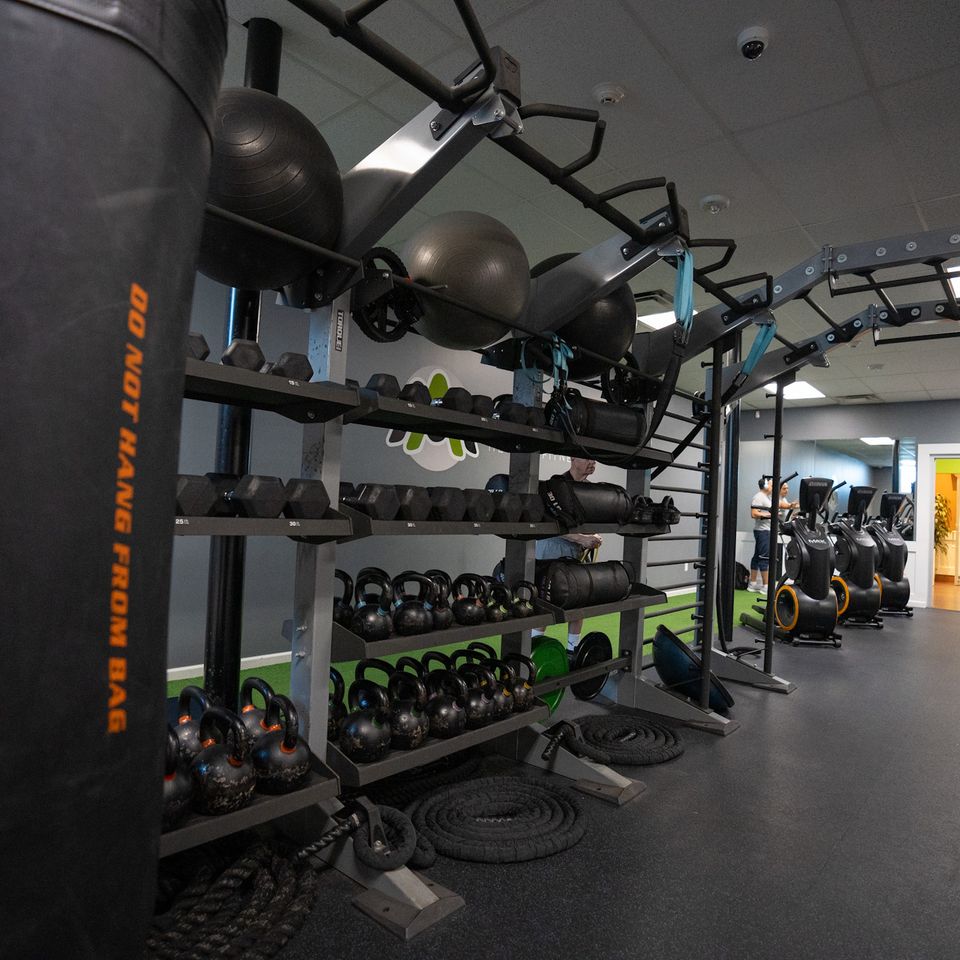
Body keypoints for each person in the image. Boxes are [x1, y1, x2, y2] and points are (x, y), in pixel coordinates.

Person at [533, 457, 601, 651]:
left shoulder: (592, 490)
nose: (592, 462)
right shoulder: (554, 487)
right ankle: (533, 648)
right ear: (572, 459)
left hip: (575, 553)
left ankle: (573, 650)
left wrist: (592, 535)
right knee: (545, 601)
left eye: (593, 459)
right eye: (586, 458)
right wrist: (580, 538)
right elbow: (546, 523)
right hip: (550, 550)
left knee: (579, 601)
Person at [749, 476, 798, 592]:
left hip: (766, 530)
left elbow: (780, 504)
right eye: (771, 485)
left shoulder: (767, 498)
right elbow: (754, 513)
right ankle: (766, 586)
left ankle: (753, 583)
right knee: (764, 557)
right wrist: (771, 515)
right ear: (766, 486)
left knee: (757, 557)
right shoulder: (758, 497)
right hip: (763, 531)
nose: (773, 487)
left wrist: (792, 505)